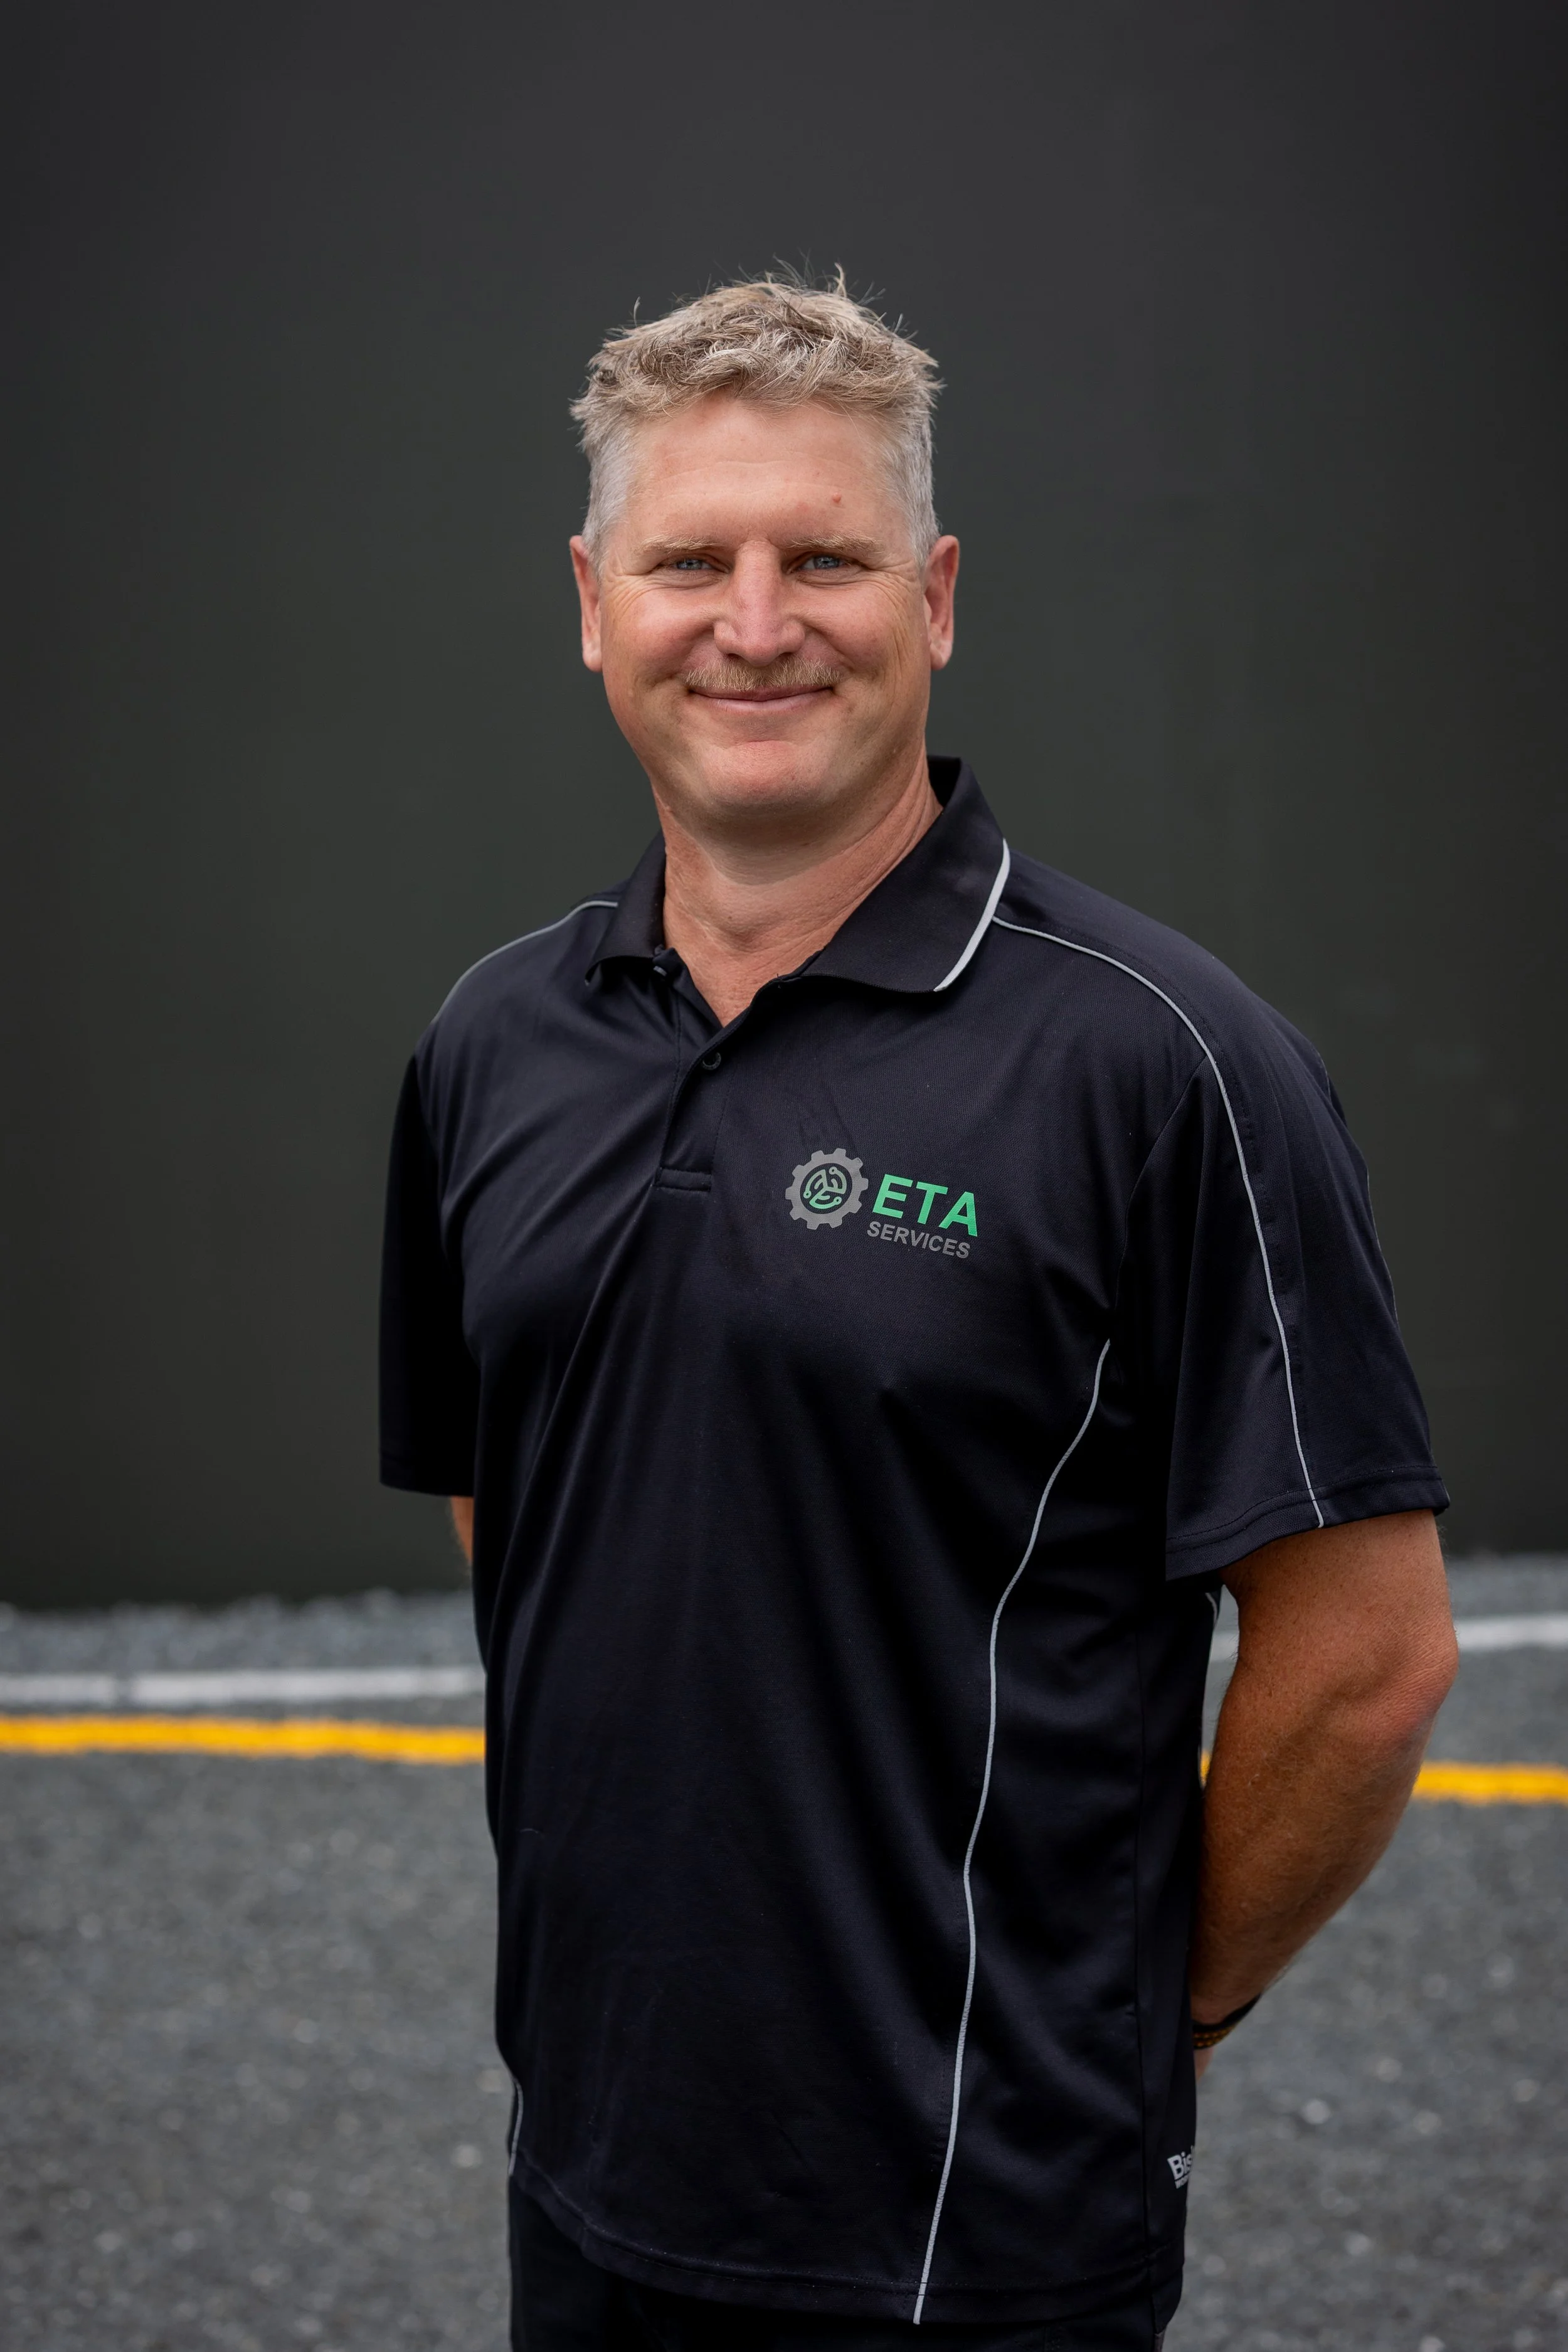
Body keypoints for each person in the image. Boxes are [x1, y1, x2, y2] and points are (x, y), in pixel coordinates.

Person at [379, 278, 1456, 2351]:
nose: (754, 618)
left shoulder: (1161, 1063)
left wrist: (1165, 2005)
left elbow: (1365, 1663)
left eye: (828, 557)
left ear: (936, 596)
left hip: (979, 2229)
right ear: (594, 599)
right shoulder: (488, 1043)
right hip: (588, 2173)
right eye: (690, 558)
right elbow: (509, 1511)